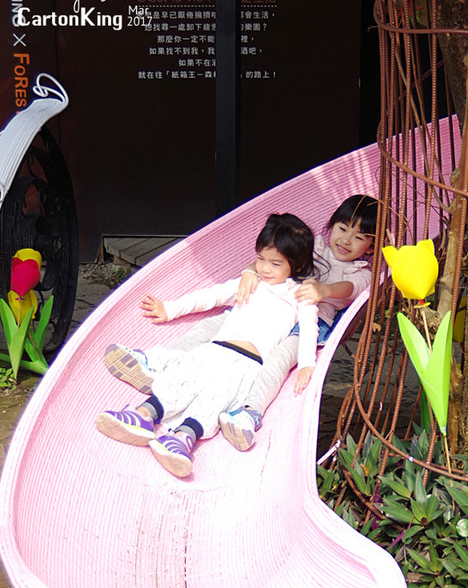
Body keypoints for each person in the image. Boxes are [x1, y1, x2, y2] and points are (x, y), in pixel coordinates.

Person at [103, 194, 379, 453]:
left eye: (359, 237)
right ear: (332, 226)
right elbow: (266, 263)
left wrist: (320, 301)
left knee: (275, 363)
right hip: (255, 310)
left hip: (306, 319)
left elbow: (344, 291)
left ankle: (243, 414)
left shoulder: (361, 273)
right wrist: (249, 272)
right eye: (343, 229)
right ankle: (155, 368)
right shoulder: (311, 245)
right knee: (210, 332)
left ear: (371, 245)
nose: (346, 240)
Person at [95, 213, 318, 478]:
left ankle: (183, 439)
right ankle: (143, 415)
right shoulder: (249, 282)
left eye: (275, 263)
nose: (265, 268)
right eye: (260, 259)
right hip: (215, 348)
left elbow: (308, 330)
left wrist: (306, 363)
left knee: (215, 399)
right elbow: (211, 296)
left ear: (298, 264)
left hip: (248, 364)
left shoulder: (300, 297)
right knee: (182, 380)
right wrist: (170, 309)